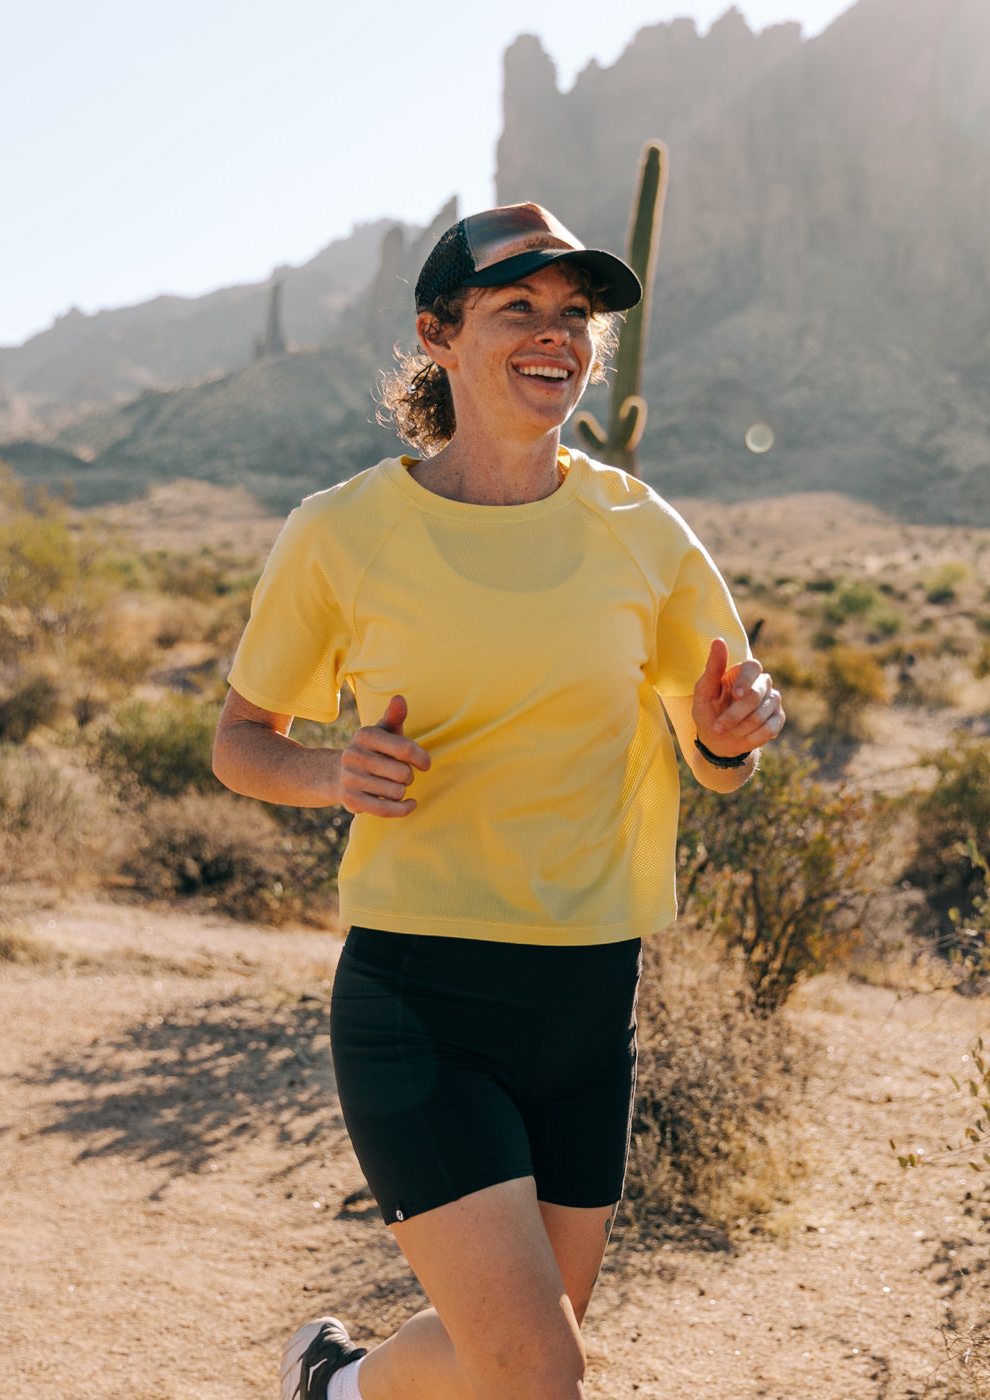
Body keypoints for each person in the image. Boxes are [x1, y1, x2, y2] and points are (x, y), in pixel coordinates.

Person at [212, 202, 785, 1400]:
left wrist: (731, 739)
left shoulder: (641, 529)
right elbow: (242, 740)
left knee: (515, 1355)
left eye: (572, 314)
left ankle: (339, 1386)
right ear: (439, 332)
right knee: (537, 1373)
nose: (554, 335)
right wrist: (331, 772)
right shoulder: (342, 532)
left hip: (589, 998)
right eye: (516, 306)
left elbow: (717, 741)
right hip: (421, 999)